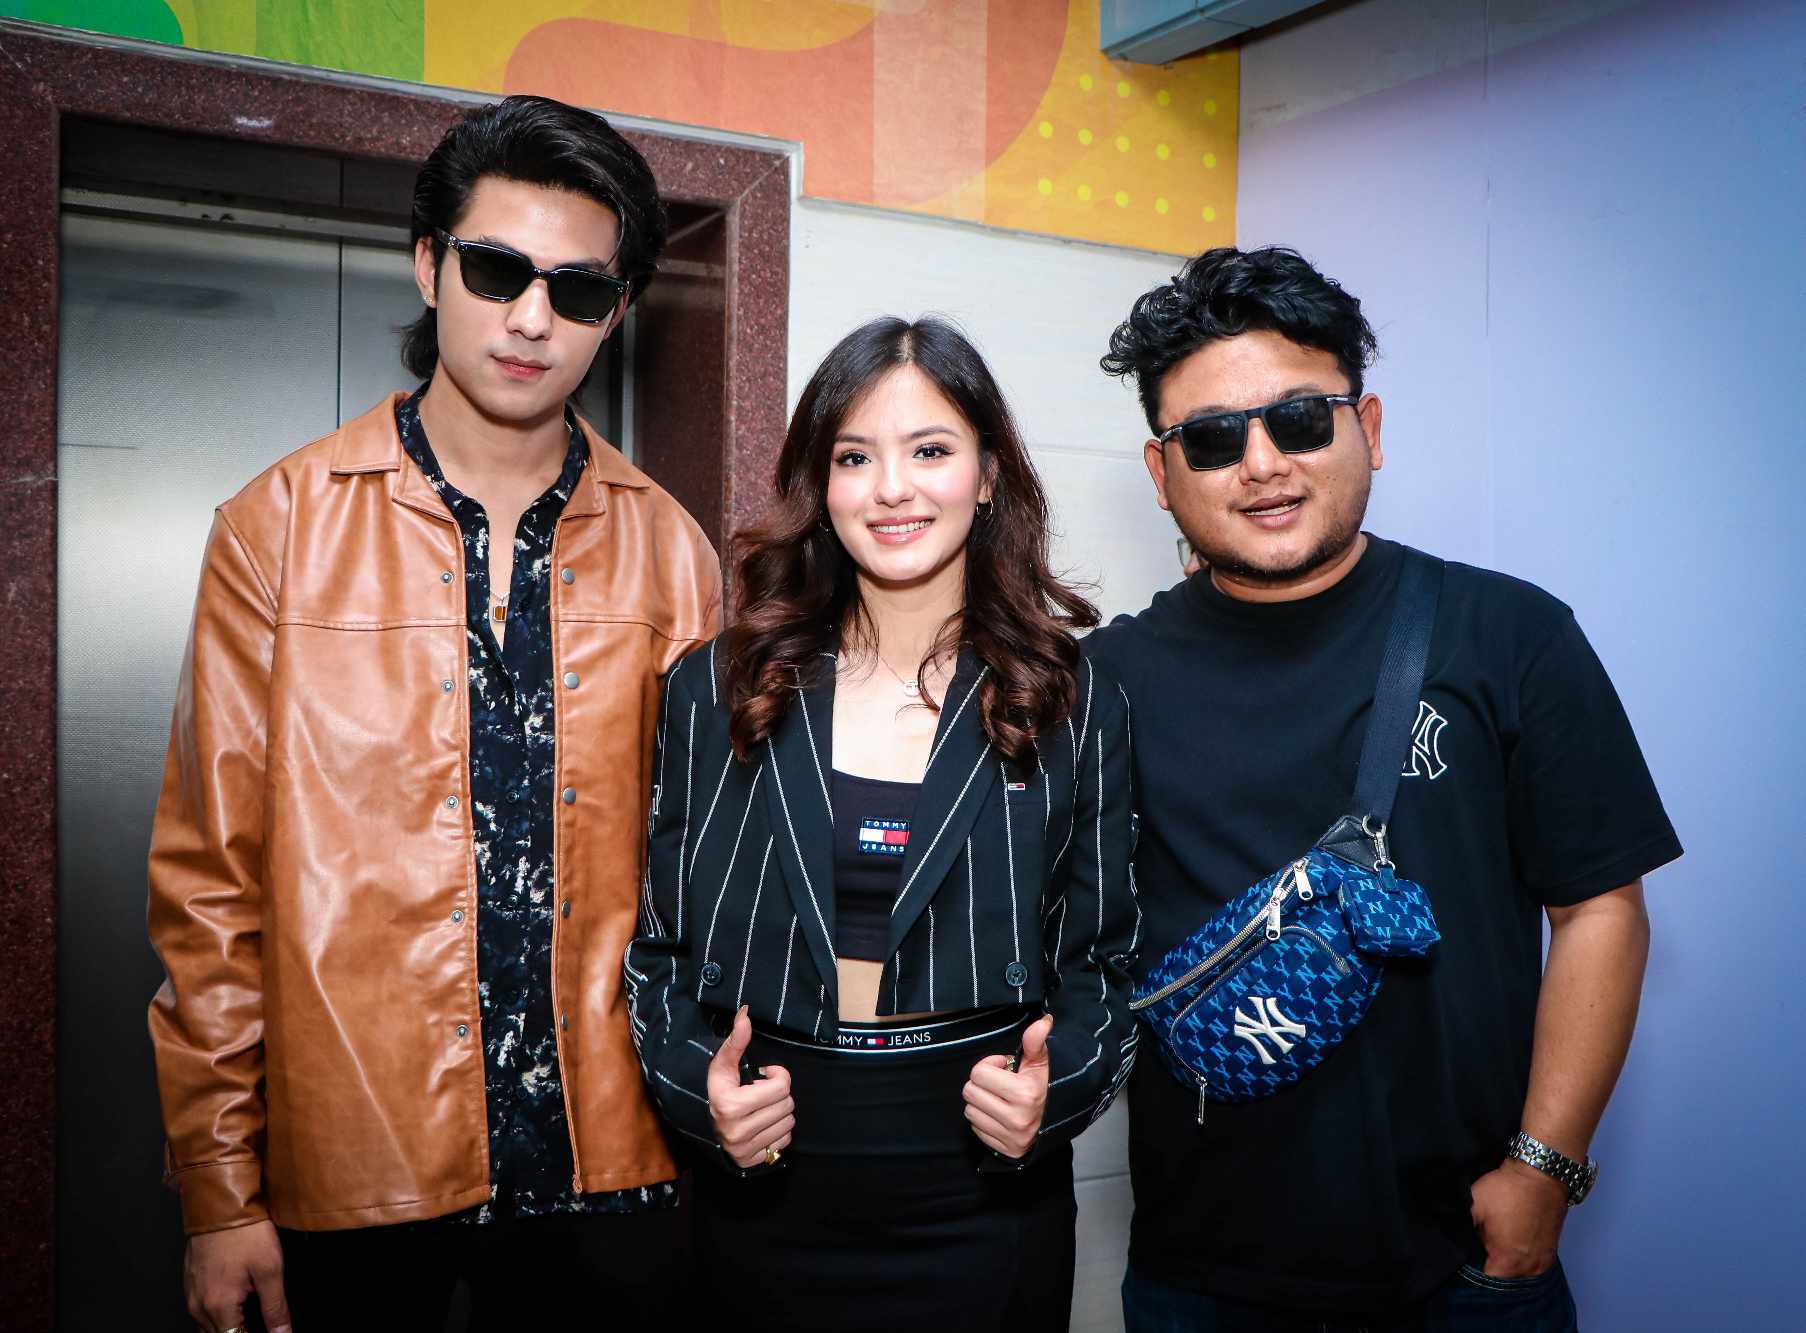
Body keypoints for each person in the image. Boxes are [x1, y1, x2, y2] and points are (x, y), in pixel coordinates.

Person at [146, 95, 719, 1333]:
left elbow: (708, 875)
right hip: (355, 1163)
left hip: (616, 1166)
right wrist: (219, 1189)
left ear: (616, 312)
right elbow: (210, 888)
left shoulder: (674, 552)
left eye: (577, 290)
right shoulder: (279, 527)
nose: (531, 318)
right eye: (497, 269)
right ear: (428, 265)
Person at [1089, 246, 1681, 1331]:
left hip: (1464, 1262)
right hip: (1202, 1272)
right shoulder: (1106, 680)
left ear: (1367, 425)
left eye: (1299, 420)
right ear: (1161, 472)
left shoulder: (1509, 633)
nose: (1262, 463)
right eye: (1212, 438)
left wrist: (1545, 1168)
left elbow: (1600, 905)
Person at [626, 316, 1140, 1331]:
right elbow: (657, 955)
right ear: (820, 485)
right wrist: (701, 1096)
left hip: (982, 1192)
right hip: (762, 1179)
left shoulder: (1071, 698)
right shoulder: (717, 688)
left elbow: (1106, 968)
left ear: (988, 476)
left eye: (931, 450)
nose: (892, 488)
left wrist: (1055, 1098)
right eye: (855, 457)